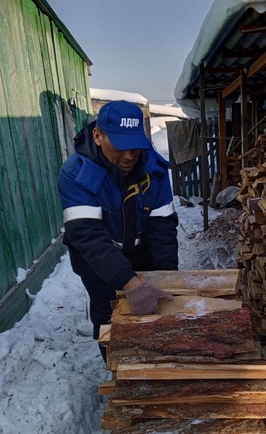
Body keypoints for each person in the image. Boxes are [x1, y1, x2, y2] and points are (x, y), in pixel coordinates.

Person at [58, 99, 178, 361]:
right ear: (98, 136)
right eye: (121, 146)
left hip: (140, 249)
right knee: (108, 315)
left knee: (155, 311)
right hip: (95, 260)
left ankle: (154, 363)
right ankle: (116, 372)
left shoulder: (153, 170)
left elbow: (163, 225)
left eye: (135, 146)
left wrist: (169, 276)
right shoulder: (75, 174)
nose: (129, 155)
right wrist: (130, 283)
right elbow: (88, 237)